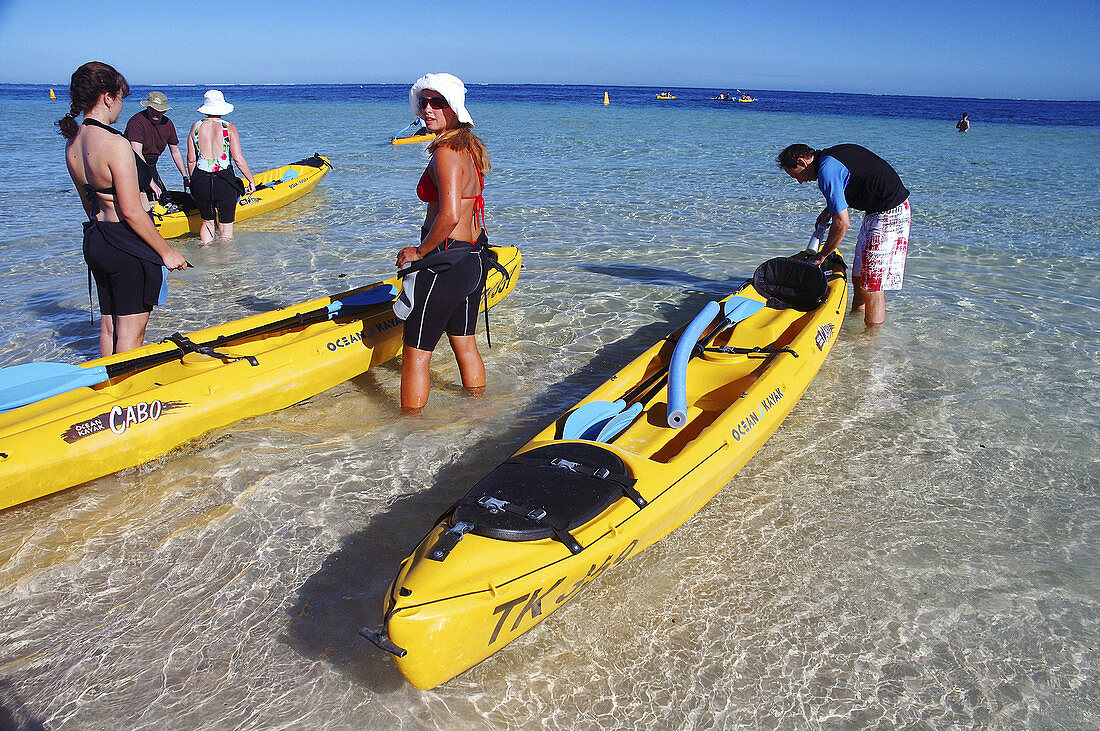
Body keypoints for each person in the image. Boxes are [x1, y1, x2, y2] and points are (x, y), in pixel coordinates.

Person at [57, 62, 188, 356]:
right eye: (120, 98)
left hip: (97, 239)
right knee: (130, 332)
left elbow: (88, 204)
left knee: (109, 327)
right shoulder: (116, 143)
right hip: (126, 244)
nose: (120, 106)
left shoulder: (73, 141)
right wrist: (166, 251)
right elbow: (131, 211)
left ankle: (107, 389)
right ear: (107, 97)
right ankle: (125, 397)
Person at [394, 73, 491, 412]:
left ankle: (410, 431)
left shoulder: (446, 152)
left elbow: (448, 215)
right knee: (465, 344)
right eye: (424, 102)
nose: (428, 109)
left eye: (439, 103)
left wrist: (419, 252)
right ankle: (477, 415)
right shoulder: (469, 147)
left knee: (416, 353)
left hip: (445, 263)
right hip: (471, 260)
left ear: (454, 109)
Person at [777, 143, 911, 326]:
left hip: (890, 212)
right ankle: (855, 325)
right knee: (858, 277)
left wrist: (821, 256)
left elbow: (842, 223)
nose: (799, 181)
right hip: (875, 212)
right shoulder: (829, 159)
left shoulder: (826, 170)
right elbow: (850, 183)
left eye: (797, 175)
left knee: (871, 285)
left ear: (802, 161)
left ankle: (870, 341)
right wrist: (829, 211)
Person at [186, 90, 256, 244]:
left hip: (200, 180)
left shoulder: (195, 127)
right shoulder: (229, 128)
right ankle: (225, 266)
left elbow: (191, 160)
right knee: (226, 230)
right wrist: (250, 180)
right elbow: (238, 158)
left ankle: (206, 257)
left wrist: (193, 182)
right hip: (223, 181)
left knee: (207, 222)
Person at [123, 91, 188, 205]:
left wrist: (185, 176)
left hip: (151, 165)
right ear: (147, 107)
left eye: (159, 110)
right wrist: (148, 180)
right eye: (152, 109)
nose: (155, 113)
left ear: (165, 110)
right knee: (145, 199)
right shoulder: (137, 122)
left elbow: (175, 151)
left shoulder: (168, 123)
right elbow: (136, 152)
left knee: (163, 198)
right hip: (133, 165)